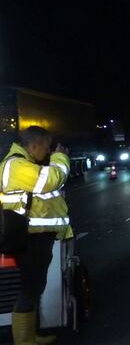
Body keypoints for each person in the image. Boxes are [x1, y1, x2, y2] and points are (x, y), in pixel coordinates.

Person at [1, 126, 71, 345]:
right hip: (29, 239)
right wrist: (60, 157)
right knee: (29, 289)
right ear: (35, 144)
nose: (48, 152)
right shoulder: (15, 165)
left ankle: (30, 337)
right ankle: (23, 341)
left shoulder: (25, 164)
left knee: (34, 287)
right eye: (47, 147)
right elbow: (49, 179)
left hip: (36, 237)